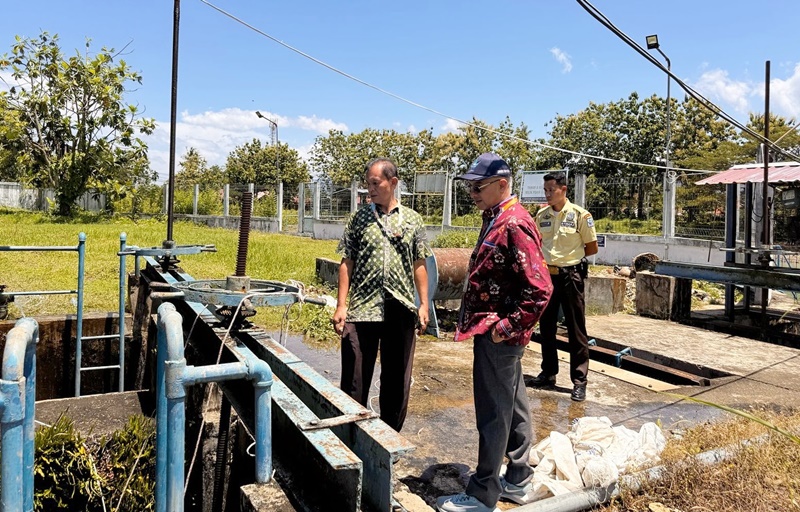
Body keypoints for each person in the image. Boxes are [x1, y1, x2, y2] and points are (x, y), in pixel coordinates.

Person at [436, 153, 553, 512]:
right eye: (469, 185)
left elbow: (540, 288)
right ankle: (518, 477)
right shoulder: (496, 218)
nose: (472, 192)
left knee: (493, 411)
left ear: (502, 184)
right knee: (512, 402)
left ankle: (482, 493)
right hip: (494, 331)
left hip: (498, 334)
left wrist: (506, 328)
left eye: (478, 186)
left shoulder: (513, 224)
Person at [331, 157, 432, 432]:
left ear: (393, 183)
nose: (370, 190)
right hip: (363, 307)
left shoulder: (413, 220)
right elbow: (346, 262)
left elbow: (419, 263)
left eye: (375, 184)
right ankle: (351, 433)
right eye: (368, 184)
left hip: (399, 307)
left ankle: (389, 438)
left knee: (397, 378)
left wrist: (423, 304)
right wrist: (341, 305)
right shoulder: (359, 218)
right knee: (355, 375)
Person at [530, 171, 598, 402]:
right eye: (545, 190)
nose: (548, 194)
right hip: (547, 277)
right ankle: (548, 373)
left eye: (552, 189)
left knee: (575, 328)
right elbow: (538, 244)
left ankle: (579, 381)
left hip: (571, 276)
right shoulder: (541, 215)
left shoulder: (580, 215)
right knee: (546, 327)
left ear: (564, 189)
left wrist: (570, 261)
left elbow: (591, 247)